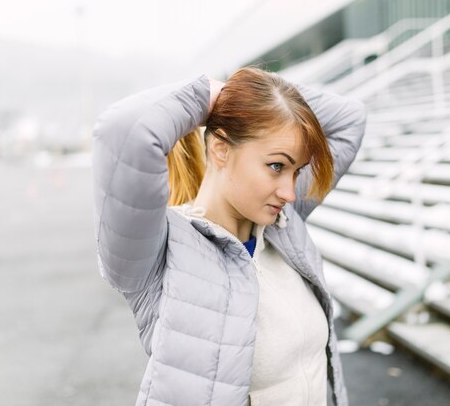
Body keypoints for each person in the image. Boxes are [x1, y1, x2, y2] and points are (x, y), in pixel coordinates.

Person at [91, 65, 367, 406]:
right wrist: (213, 95)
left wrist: (262, 98)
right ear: (221, 148)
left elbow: (351, 120)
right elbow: (123, 132)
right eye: (277, 166)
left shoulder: (283, 224)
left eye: (297, 171)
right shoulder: (160, 250)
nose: (290, 192)